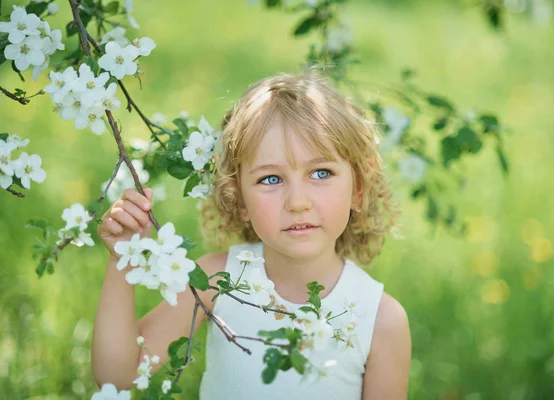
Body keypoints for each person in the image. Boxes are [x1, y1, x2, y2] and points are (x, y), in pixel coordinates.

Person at [92, 71, 412, 399]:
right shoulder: (218, 281)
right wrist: (122, 261)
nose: (298, 202)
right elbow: (118, 375)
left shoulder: (380, 319)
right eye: (271, 179)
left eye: (321, 173)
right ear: (239, 199)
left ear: (357, 189)